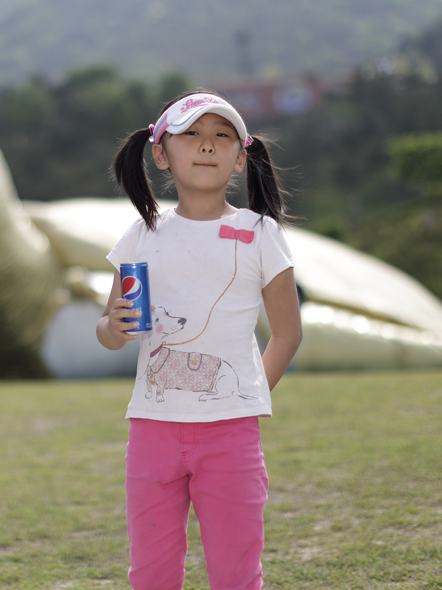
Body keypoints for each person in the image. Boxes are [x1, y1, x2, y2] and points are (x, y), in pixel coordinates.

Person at [96, 91, 303, 590]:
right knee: (151, 574)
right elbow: (108, 331)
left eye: (222, 135)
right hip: (152, 431)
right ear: (161, 153)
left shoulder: (260, 232)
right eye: (191, 133)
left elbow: (287, 332)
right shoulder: (141, 235)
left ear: (240, 158)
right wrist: (113, 327)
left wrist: (248, 395)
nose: (207, 144)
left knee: (236, 574)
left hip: (231, 434)